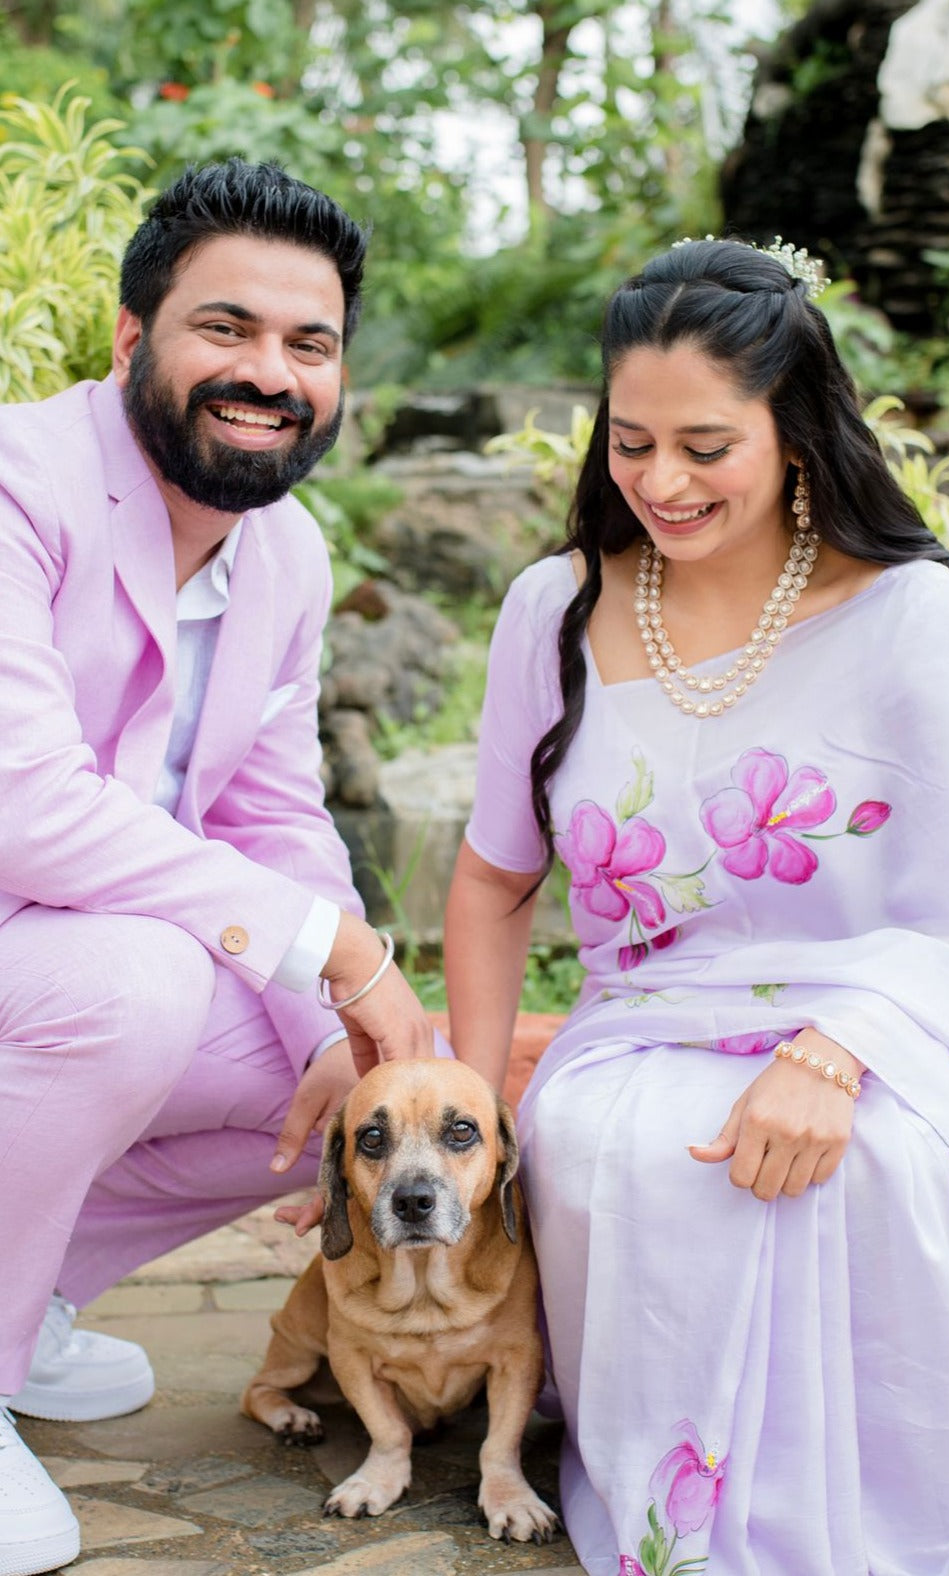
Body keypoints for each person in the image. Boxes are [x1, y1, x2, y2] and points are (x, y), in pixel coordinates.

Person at [443, 236, 949, 1575]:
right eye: (630, 441)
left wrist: (837, 1052)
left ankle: (902, 1516)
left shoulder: (907, 613)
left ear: (798, 432)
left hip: (897, 1020)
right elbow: (498, 879)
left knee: (887, 1165)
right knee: (628, 1147)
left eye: (706, 446)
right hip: (637, 1028)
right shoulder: (554, 610)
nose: (661, 481)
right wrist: (471, 1114)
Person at [0, 159, 435, 1576]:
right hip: (49, 954)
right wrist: (338, 950)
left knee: (314, 1073)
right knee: (139, 986)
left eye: (308, 345)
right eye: (224, 329)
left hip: (56, 969)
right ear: (134, 341)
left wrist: (338, 1013)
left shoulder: (285, 553)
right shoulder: (16, 482)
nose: (268, 373)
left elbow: (273, 814)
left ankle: (25, 1302)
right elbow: (24, 805)